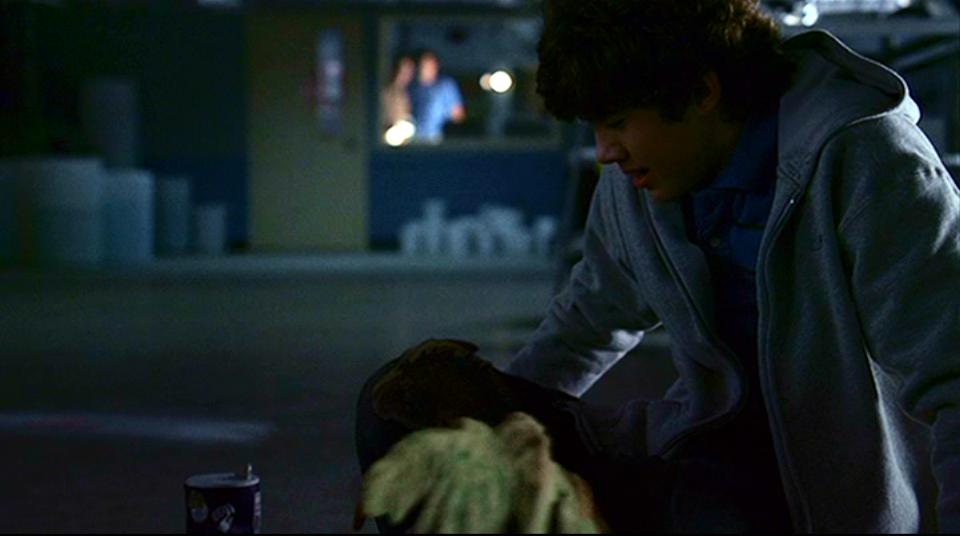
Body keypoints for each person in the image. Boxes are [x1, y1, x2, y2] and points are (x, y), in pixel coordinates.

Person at [356, 0, 959, 532]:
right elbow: (588, 321)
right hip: (694, 457)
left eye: (618, 122)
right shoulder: (640, 179)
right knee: (411, 413)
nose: (605, 151)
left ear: (701, 91)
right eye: (596, 127)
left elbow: (953, 378)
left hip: (817, 502)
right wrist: (499, 427)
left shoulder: (869, 162)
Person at [408, 49, 466, 143]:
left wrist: (442, 111)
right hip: (411, 139)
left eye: (432, 65)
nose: (428, 69)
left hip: (435, 138)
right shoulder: (411, 87)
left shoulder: (446, 86)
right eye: (425, 66)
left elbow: (458, 114)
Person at [381, 53, 416, 131]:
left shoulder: (406, 93)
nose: (407, 76)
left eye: (410, 72)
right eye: (404, 71)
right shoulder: (386, 93)